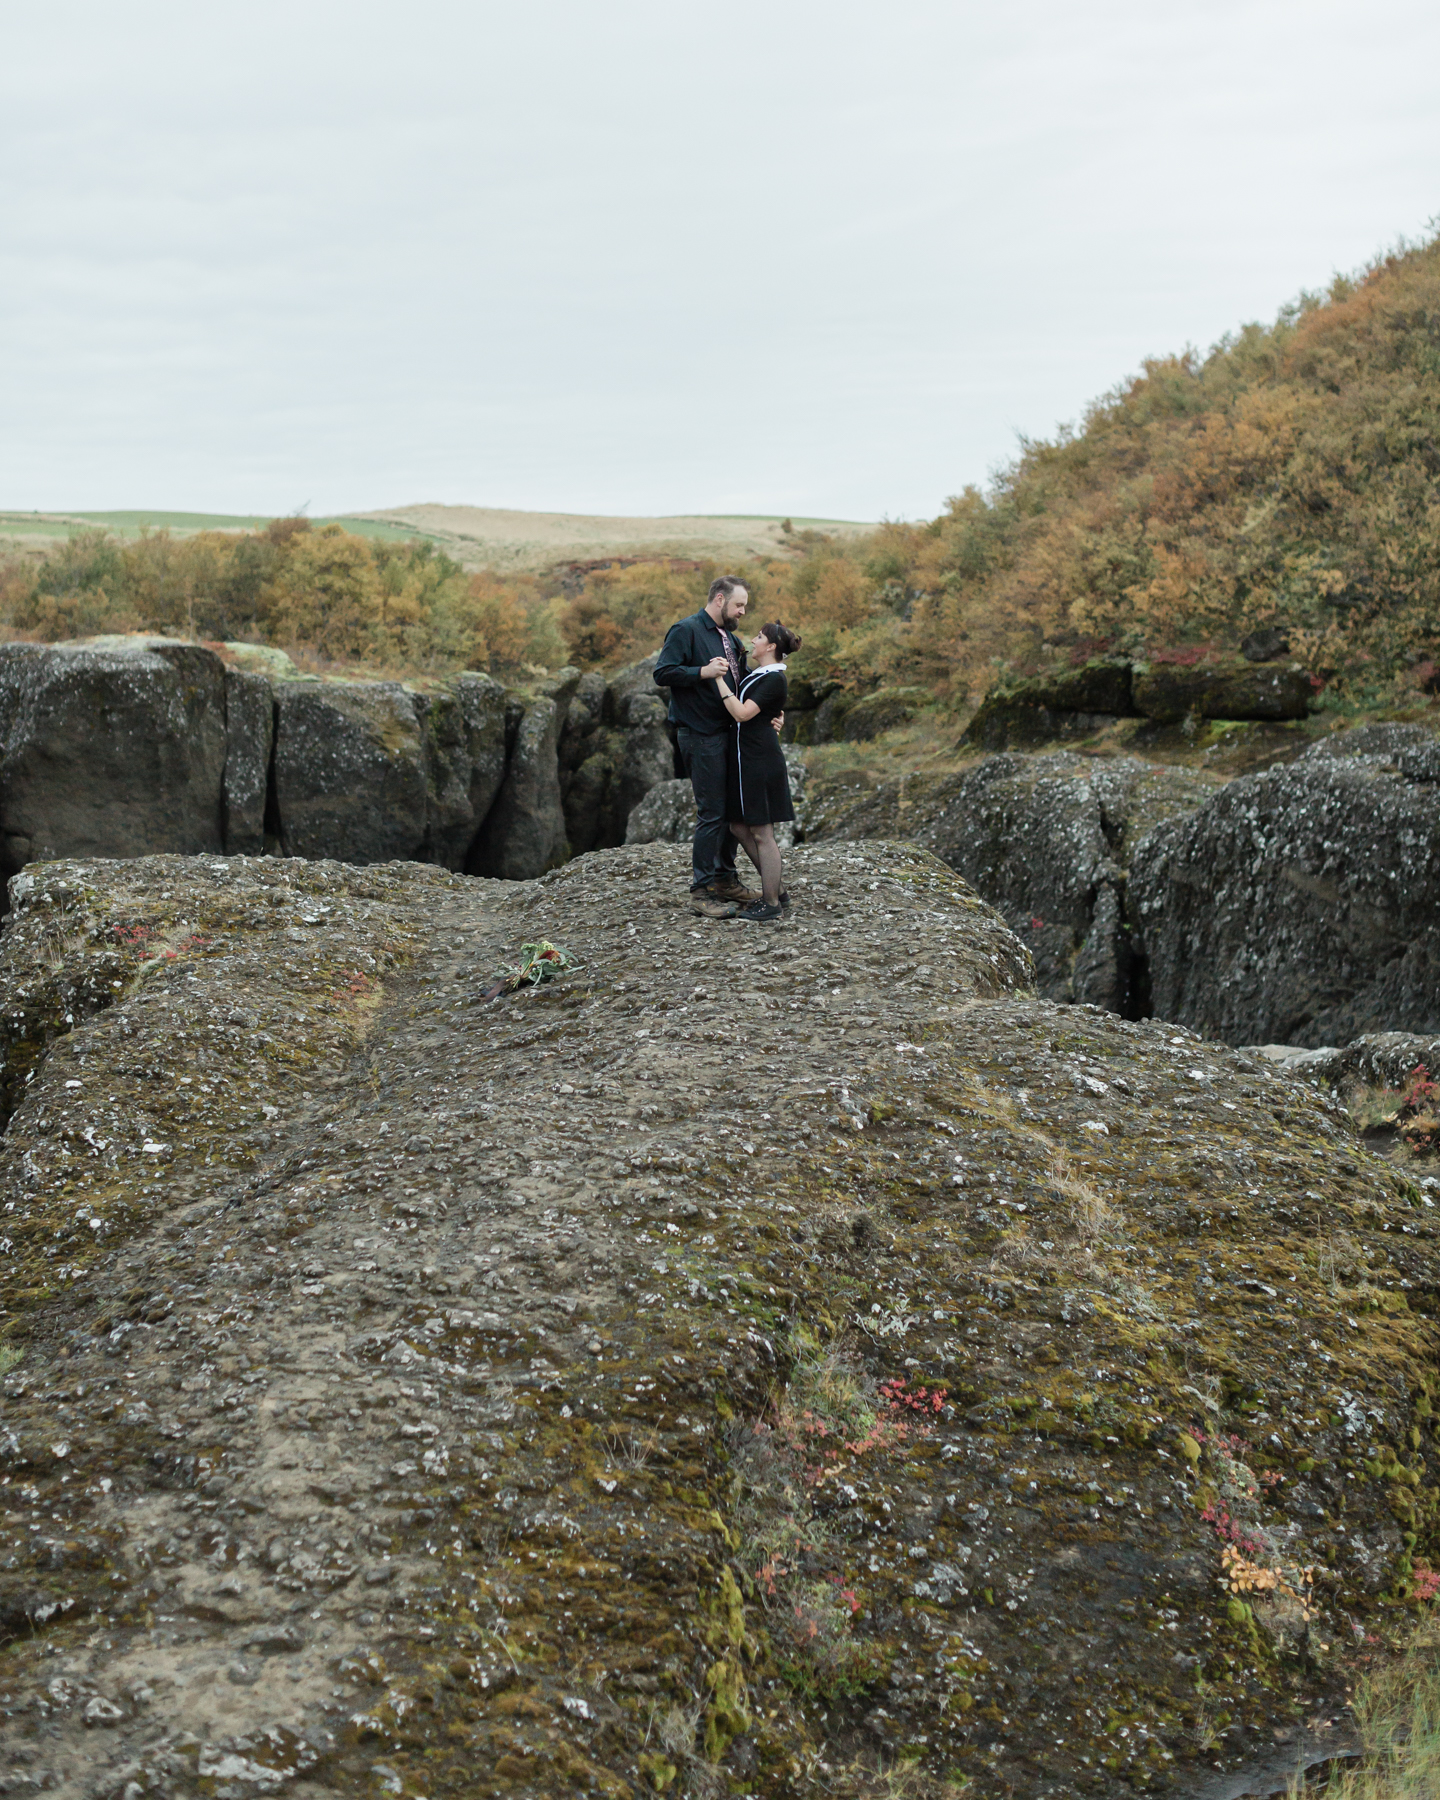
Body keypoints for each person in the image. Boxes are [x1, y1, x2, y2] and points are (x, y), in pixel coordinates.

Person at [654, 575, 781, 918]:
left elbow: (743, 688)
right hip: (699, 734)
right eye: (739, 605)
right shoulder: (686, 630)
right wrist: (702, 671)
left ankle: (725, 880)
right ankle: (700, 891)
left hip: (729, 735)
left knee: (731, 813)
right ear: (721, 599)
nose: (742, 612)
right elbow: (662, 673)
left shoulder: (731, 638)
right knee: (712, 813)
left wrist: (766, 715)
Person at [714, 621, 801, 923]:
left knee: (763, 833)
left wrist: (717, 680)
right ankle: (775, 888)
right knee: (738, 826)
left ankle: (772, 902)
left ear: (771, 647)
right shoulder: (760, 675)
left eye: (760, 637)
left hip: (760, 761)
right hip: (746, 760)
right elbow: (765, 711)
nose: (753, 640)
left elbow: (742, 713)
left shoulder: (775, 679)